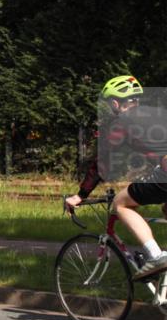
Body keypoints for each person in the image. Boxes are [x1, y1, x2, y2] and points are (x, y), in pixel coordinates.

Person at [65, 76, 167, 286]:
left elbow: (103, 163)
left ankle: (156, 257)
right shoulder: (159, 112)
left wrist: (80, 195)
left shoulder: (121, 122)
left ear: (115, 103)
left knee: (120, 204)